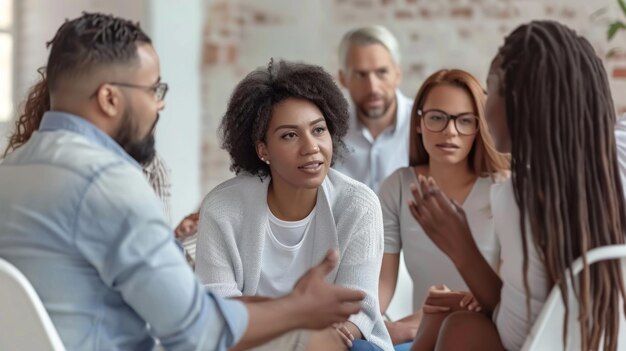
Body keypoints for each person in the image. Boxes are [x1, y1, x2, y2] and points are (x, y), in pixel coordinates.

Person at [0, 13, 366, 351]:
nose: (159, 106)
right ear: (110, 98)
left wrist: (283, 305)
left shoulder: (11, 172)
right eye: (153, 91)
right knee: (309, 341)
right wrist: (298, 310)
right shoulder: (106, 183)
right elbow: (198, 333)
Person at [408, 20, 626, 351]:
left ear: (518, 99)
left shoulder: (519, 197)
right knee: (449, 314)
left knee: (460, 327)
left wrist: (461, 247)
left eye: (490, 87)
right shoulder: (620, 153)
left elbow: (522, 339)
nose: (483, 105)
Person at [195, 58, 393, 351]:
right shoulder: (222, 208)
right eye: (290, 135)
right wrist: (289, 325)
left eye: (318, 130)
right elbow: (219, 309)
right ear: (263, 149)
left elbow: (359, 310)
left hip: (341, 343)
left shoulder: (358, 204)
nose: (311, 146)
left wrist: (311, 338)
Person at [376, 69, 509, 350]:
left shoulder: (503, 190)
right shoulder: (398, 186)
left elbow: (506, 296)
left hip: (483, 330)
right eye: (437, 117)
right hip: (421, 334)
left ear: (479, 127)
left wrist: (419, 319)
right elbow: (381, 285)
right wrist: (365, 323)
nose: (450, 131)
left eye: (464, 121)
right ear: (418, 123)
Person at [334, 25, 413, 192]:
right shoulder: (330, 131)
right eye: (360, 75)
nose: (372, 88)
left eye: (382, 72)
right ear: (343, 79)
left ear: (397, 74)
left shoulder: (423, 125)